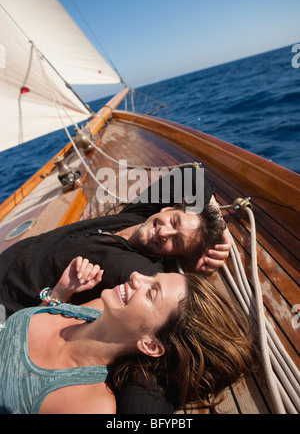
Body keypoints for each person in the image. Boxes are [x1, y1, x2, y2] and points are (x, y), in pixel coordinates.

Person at [0, 257, 254, 414]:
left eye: (150, 293)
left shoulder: (90, 404)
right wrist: (61, 293)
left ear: (151, 346)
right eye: (151, 277)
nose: (136, 277)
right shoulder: (97, 309)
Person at [0, 165, 231, 318]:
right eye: (173, 220)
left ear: (171, 256)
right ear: (168, 208)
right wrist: (221, 230)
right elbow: (188, 176)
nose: (165, 232)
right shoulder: (140, 216)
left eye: (177, 242)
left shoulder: (136, 270)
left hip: (8, 305)